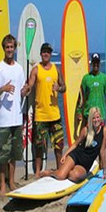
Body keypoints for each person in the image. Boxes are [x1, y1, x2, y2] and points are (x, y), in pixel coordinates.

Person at [0, 34, 31, 196]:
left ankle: (12, 182)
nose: (9, 50)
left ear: (15, 48)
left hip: (16, 117)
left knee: (14, 153)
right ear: (4, 48)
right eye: (7, 47)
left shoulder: (19, 68)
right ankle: (2, 185)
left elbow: (20, 91)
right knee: (2, 155)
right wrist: (3, 89)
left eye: (11, 47)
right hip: (3, 119)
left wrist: (25, 91)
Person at [25, 43, 65, 176]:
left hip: (55, 115)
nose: (46, 54)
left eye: (48, 52)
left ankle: (59, 169)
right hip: (41, 115)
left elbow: (64, 87)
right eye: (44, 52)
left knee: (59, 144)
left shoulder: (56, 69)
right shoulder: (36, 70)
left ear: (50, 54)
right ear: (41, 54)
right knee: (39, 145)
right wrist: (26, 89)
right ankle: (37, 172)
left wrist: (58, 89)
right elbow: (30, 85)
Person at [38, 107, 106, 182]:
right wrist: (65, 155)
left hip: (84, 165)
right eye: (94, 118)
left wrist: (104, 171)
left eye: (98, 117)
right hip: (75, 156)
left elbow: (102, 152)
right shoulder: (86, 130)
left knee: (74, 176)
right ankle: (50, 172)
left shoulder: (104, 131)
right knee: (61, 176)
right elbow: (75, 144)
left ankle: (66, 169)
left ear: (100, 118)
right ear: (90, 119)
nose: (96, 120)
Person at [76, 53, 106, 133]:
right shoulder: (86, 78)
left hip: (100, 115)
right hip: (88, 114)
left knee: (100, 139)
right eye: (94, 62)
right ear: (91, 63)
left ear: (99, 63)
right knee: (88, 139)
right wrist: (79, 111)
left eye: (97, 62)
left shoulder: (104, 78)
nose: (96, 64)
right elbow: (81, 96)